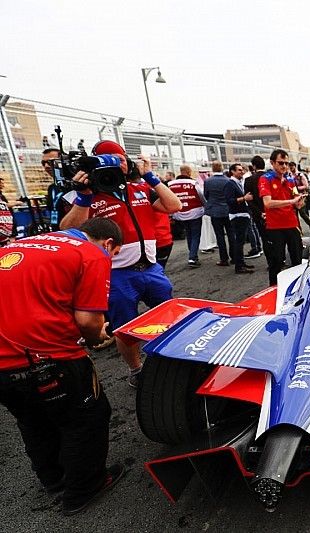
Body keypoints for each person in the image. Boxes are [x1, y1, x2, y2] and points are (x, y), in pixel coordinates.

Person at [0, 218, 125, 515]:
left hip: (4, 363)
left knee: (32, 419)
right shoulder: (93, 253)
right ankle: (84, 488)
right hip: (47, 356)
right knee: (86, 417)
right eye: (114, 254)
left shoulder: (24, 243)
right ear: (108, 244)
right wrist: (99, 337)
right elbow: (88, 322)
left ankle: (54, 479)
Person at [60, 140, 181, 388]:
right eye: (110, 160)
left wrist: (150, 175)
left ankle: (174, 358)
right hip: (116, 274)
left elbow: (174, 206)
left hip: (150, 267)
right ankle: (136, 370)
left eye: (122, 159)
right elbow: (67, 230)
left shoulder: (139, 187)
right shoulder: (83, 194)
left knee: (170, 316)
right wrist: (84, 197)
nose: (119, 164)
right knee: (125, 328)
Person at [259, 149, 305, 285]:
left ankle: (298, 287)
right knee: (276, 262)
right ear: (272, 163)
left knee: (297, 259)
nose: (284, 166)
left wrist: (299, 201)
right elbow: (267, 203)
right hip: (275, 227)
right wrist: (291, 202)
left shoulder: (290, 180)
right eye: (281, 163)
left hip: (292, 224)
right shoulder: (265, 179)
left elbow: (297, 202)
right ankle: (273, 289)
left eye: (286, 163)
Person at [168, 164, 206, 268]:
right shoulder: (193, 183)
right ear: (189, 172)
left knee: (189, 234)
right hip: (195, 212)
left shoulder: (171, 184)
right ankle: (193, 257)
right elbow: (201, 196)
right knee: (195, 235)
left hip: (180, 212)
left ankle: (192, 254)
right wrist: (205, 206)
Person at [203, 160, 235, 267]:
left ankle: (223, 258)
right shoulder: (228, 180)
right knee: (231, 234)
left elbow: (206, 195)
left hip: (215, 211)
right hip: (228, 210)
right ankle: (235, 257)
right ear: (222, 168)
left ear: (212, 168)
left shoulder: (208, 181)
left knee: (219, 235)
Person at [225, 163, 256, 274]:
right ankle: (239, 266)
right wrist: (244, 198)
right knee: (239, 241)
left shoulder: (237, 183)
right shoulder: (230, 184)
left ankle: (241, 263)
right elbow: (229, 201)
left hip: (243, 214)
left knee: (241, 241)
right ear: (232, 171)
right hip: (237, 216)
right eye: (239, 170)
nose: (242, 171)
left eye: (242, 170)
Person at [243, 155, 267, 259]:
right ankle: (281, 258)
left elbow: (249, 200)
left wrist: (259, 212)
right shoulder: (272, 177)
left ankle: (271, 261)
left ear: (253, 166)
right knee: (277, 237)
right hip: (274, 211)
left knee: (265, 238)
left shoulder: (249, 180)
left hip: (259, 214)